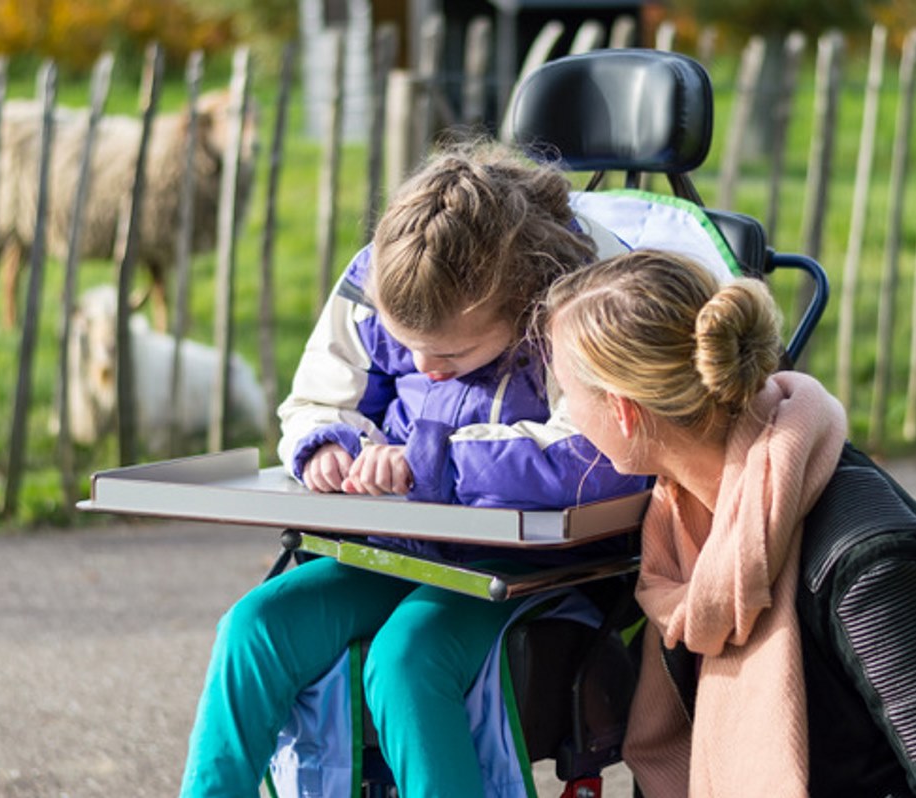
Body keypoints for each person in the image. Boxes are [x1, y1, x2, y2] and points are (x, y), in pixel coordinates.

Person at [178, 141, 650, 798]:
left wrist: (436, 463)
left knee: (407, 659)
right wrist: (326, 445)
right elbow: (318, 395)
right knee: (254, 628)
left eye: (451, 352)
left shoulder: (583, 297)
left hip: (523, 566)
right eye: (407, 347)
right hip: (395, 546)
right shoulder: (392, 267)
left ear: (522, 304)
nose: (424, 367)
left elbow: (601, 454)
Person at [546, 248, 916, 798]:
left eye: (566, 393)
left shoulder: (863, 558)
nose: (566, 413)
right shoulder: (680, 528)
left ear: (623, 411)